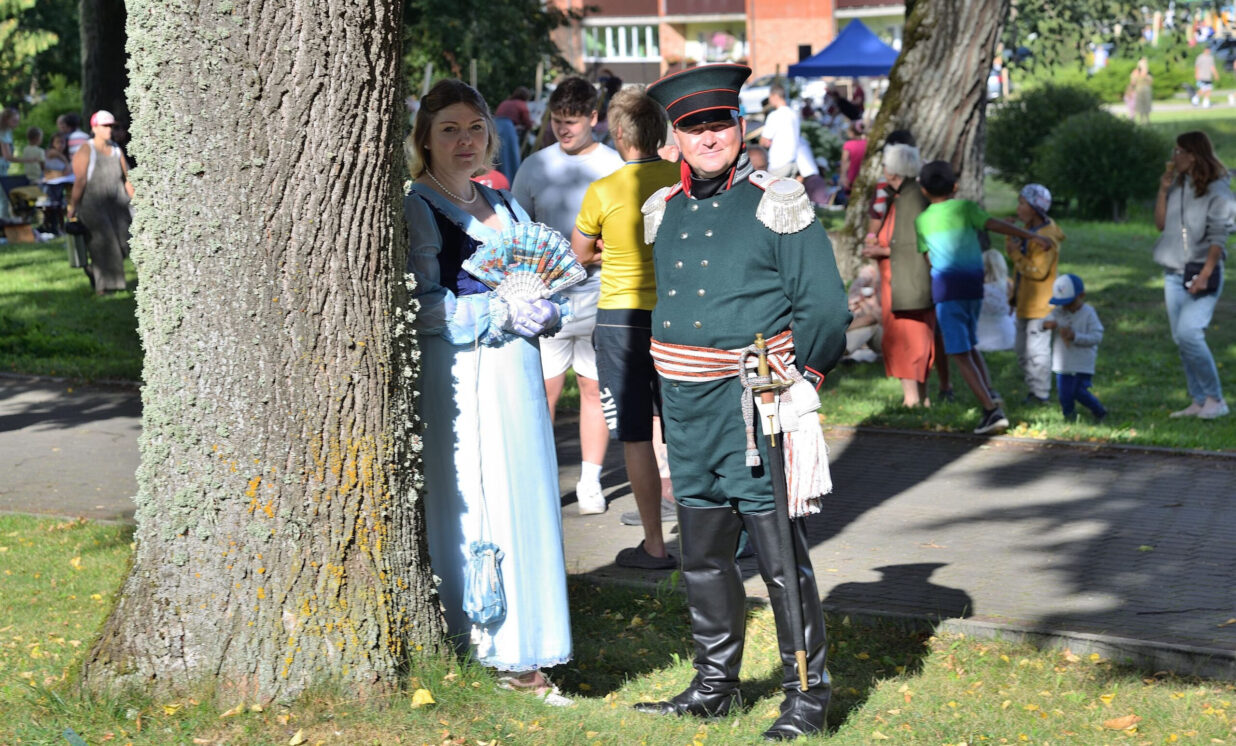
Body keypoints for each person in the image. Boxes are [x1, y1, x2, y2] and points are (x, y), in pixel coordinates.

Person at [636, 63, 850, 741]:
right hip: (686, 408)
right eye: (693, 127)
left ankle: (807, 698)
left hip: (756, 407)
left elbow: (825, 308)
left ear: (740, 126)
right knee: (701, 554)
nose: (708, 138)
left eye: (719, 124)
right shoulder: (664, 210)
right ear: (674, 137)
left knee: (780, 559)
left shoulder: (775, 201)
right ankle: (714, 686)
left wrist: (800, 383)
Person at [403, 78, 573, 703]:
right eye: (449, 130)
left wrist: (545, 312)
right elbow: (419, 306)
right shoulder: (418, 206)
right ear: (425, 139)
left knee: (525, 494)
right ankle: (492, 648)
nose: (465, 141)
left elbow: (543, 280)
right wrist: (497, 313)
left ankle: (534, 644)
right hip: (463, 377)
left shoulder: (503, 203)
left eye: (475, 128)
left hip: (519, 375)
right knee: (485, 497)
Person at [570, 86, 680, 568]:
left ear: (618, 133)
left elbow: (578, 254)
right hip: (677, 314)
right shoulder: (682, 179)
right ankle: (707, 540)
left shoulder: (603, 190)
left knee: (636, 433)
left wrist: (605, 251)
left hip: (620, 318)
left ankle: (654, 544)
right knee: (686, 427)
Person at [512, 77, 623, 513]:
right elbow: (518, 231)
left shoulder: (613, 165)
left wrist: (597, 254)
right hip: (546, 298)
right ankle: (538, 478)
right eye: (557, 120)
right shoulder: (535, 166)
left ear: (594, 118)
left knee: (594, 388)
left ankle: (590, 483)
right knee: (544, 390)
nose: (563, 129)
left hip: (600, 293)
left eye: (572, 121)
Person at [916, 160, 1052, 434]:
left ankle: (991, 412)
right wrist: (1030, 235)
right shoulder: (966, 208)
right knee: (970, 345)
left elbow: (928, 258)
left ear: (923, 189)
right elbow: (993, 224)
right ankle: (990, 391)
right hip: (973, 287)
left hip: (948, 290)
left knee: (959, 352)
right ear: (955, 186)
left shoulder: (922, 221)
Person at [1153, 131, 1233, 419]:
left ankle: (1216, 400)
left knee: (1190, 333)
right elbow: (1161, 224)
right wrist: (1163, 190)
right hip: (1173, 271)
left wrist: (1205, 273)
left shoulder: (1217, 190)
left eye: (1178, 152)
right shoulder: (1179, 184)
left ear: (1193, 155)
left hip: (1203, 271)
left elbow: (1218, 237)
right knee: (1181, 338)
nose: (1173, 157)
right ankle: (1198, 401)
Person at [862, 143, 938, 407]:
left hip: (906, 283)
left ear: (893, 171)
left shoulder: (910, 199)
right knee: (915, 337)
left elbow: (909, 245)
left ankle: (912, 399)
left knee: (909, 338)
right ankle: (920, 397)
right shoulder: (904, 196)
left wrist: (880, 250)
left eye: (885, 165)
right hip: (900, 281)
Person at [1006, 183, 1064, 404]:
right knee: (1022, 350)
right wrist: (1010, 235)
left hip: (1040, 305)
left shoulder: (1046, 238)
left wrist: (1015, 255)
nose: (1018, 208)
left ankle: (1040, 394)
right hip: (1024, 302)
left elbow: (1038, 271)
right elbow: (1017, 257)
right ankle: (1034, 388)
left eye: (1022, 203)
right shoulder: (1029, 231)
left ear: (1035, 208)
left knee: (1037, 352)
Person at [66, 110, 134, 294]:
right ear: (94, 127)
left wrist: (136, 201)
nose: (109, 130)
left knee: (125, 242)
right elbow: (80, 181)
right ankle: (103, 288)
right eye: (105, 126)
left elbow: (127, 178)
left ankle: (94, 273)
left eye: (112, 126)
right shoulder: (86, 149)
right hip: (93, 205)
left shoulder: (116, 149)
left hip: (117, 203)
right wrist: (73, 207)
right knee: (102, 244)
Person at [1042, 274, 1106, 423]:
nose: (1066, 307)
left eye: (1069, 302)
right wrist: (1047, 325)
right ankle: (1069, 417)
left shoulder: (1088, 313)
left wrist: (1075, 336)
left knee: (1078, 391)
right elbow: (1045, 322)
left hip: (1082, 363)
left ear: (1081, 296)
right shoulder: (1058, 311)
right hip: (1062, 363)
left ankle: (1099, 411)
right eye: (1062, 303)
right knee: (1064, 393)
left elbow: (1097, 336)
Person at [976, 249, 1015, 352]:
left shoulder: (975, 286)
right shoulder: (1009, 285)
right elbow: (1011, 312)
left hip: (979, 337)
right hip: (1006, 337)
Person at [759, 84, 800, 178]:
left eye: (770, 97)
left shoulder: (774, 115)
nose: (769, 100)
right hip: (793, 161)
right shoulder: (793, 114)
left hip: (778, 164)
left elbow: (763, 142)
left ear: (775, 96)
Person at [838, 123, 867, 198]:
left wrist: (843, 176)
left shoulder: (848, 144)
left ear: (852, 132)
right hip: (864, 175)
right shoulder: (867, 143)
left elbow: (844, 161)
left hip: (851, 176)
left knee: (849, 197)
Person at [1130, 58, 1153, 124]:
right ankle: (1141, 119)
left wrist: (1145, 76)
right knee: (1140, 104)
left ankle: (1147, 119)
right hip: (1139, 89)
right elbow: (1133, 82)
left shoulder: (1148, 72)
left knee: (1147, 103)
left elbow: (1151, 82)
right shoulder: (1135, 72)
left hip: (1146, 89)